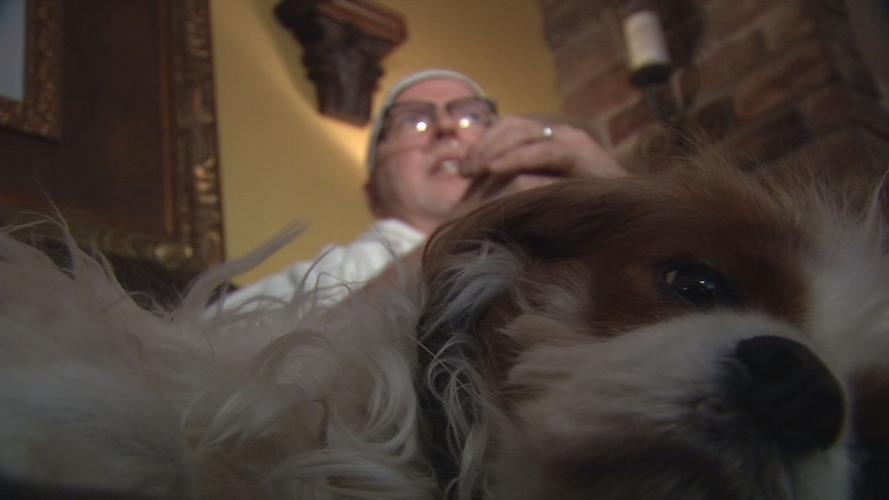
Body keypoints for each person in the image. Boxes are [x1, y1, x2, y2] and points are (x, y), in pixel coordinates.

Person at [223, 69, 625, 309]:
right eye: (413, 121)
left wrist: (624, 198)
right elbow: (197, 381)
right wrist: (460, 234)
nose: (447, 128)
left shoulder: (566, 238)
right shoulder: (322, 279)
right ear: (373, 195)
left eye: (471, 117)